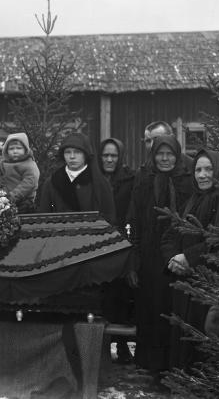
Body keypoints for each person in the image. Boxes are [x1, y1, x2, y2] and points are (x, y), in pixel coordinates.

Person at [127, 135, 194, 373]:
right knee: (151, 310)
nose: (165, 159)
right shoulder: (144, 179)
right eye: (160, 154)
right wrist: (133, 260)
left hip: (176, 256)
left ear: (177, 156)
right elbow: (133, 218)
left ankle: (172, 366)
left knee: (172, 311)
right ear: (153, 156)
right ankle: (151, 366)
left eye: (170, 154)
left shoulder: (187, 181)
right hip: (148, 256)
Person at [160, 148, 219, 369]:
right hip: (184, 283)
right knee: (183, 339)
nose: (202, 175)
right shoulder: (191, 200)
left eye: (208, 169)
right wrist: (173, 259)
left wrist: (188, 258)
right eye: (198, 170)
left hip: (209, 286)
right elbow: (170, 235)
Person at [98, 137, 137, 363]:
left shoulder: (130, 179)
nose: (109, 159)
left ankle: (122, 346)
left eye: (113, 155)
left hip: (121, 242)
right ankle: (100, 349)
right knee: (101, 297)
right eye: (105, 155)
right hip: (97, 244)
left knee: (121, 297)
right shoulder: (94, 178)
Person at [36, 132, 116, 223]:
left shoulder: (100, 183)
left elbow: (109, 219)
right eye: (68, 152)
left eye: (77, 152)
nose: (72, 156)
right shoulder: (52, 182)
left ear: (85, 154)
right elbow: (44, 217)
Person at [0, 132, 40, 214]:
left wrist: (13, 196)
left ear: (25, 149)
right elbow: (0, 179)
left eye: (19, 148)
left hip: (24, 200)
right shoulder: (3, 164)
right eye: (11, 149)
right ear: (6, 151)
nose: (15, 151)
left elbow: (29, 183)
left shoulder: (29, 165)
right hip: (5, 200)